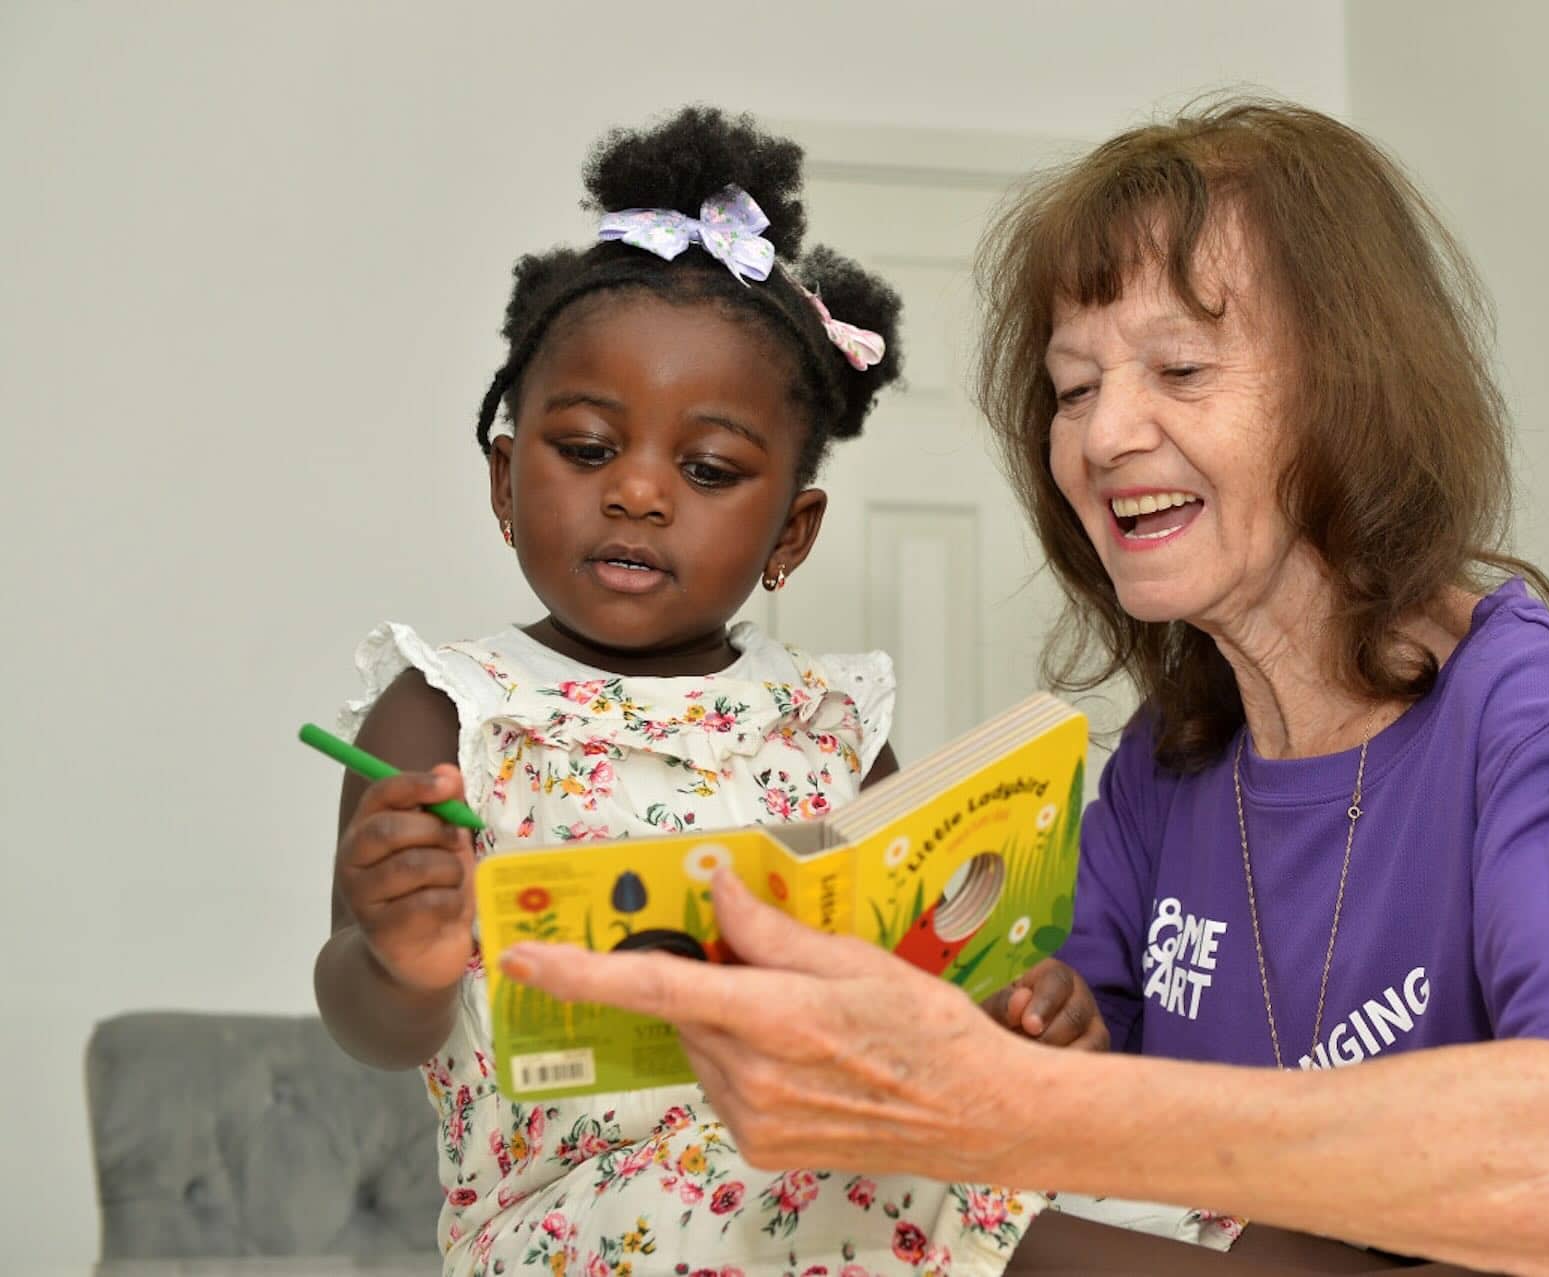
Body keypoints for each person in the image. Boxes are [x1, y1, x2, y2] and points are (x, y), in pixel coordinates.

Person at [500, 98, 1549, 1274]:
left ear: (1353, 391)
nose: (1102, 436)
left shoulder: (1528, 709)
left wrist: (1031, 1109)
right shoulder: (1168, 764)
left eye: (1182, 370)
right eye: (1076, 386)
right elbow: (1057, 1097)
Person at [313, 107, 1054, 1276]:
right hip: (584, 1217)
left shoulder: (831, 716)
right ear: (505, 479)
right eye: (588, 448)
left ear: (790, 532)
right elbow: (369, 1020)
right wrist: (400, 958)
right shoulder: (452, 706)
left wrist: (1003, 993)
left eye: (707, 470)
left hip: (831, 1152)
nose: (642, 494)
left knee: (1107, 1152)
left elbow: (914, 962)